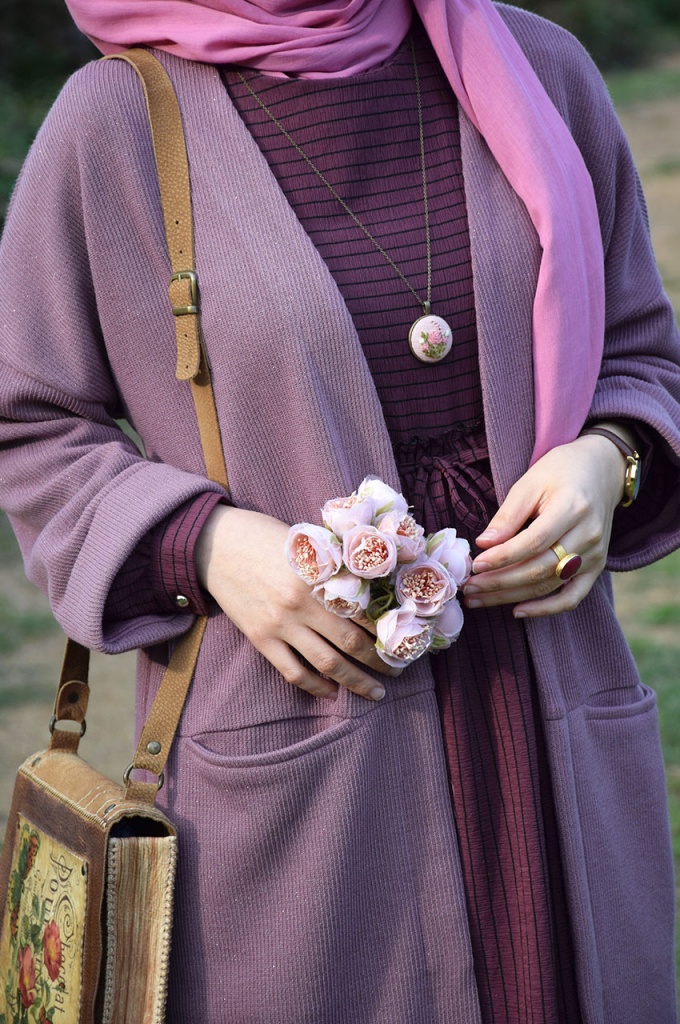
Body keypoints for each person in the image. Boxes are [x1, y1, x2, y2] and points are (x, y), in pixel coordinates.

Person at [1, 0, 679, 1021]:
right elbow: (30, 424)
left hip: (548, 726)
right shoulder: (116, 126)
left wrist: (608, 458)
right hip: (299, 744)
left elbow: (640, 354)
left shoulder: (539, 68)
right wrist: (205, 543)